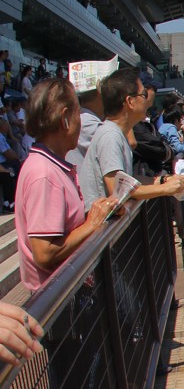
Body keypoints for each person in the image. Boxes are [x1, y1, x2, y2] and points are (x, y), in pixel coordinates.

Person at [16, 79, 117, 290]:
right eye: (77, 113)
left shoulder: (49, 166)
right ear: (65, 119)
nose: (81, 121)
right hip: (62, 301)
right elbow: (44, 253)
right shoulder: (43, 173)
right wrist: (91, 224)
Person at [77, 69, 184, 210]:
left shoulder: (116, 133)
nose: (148, 101)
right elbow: (118, 189)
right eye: (144, 94)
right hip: (105, 228)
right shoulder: (110, 135)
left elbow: (128, 182)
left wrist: (162, 180)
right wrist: (165, 189)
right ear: (130, 101)